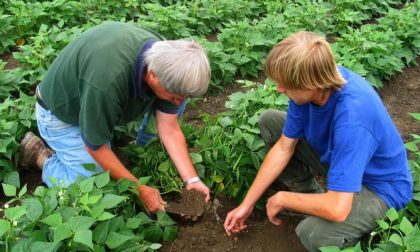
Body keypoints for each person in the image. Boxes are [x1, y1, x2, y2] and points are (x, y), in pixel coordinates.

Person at [224, 31, 413, 251]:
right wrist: (246, 204)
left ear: (311, 83)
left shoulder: (354, 117)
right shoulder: (315, 83)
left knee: (313, 235)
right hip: (341, 161)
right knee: (271, 121)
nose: (279, 89)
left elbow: (338, 209)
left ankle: (344, 222)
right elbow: (284, 148)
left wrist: (282, 198)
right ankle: (312, 199)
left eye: (286, 84)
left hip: (378, 188)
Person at [19, 21, 211, 213]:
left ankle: (139, 150)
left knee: (171, 102)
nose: (178, 102)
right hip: (62, 116)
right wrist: (139, 189)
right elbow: (95, 146)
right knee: (93, 185)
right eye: (174, 96)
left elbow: (169, 128)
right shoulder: (107, 81)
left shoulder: (169, 62)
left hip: (95, 103)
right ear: (152, 75)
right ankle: (42, 158)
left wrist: (192, 180)